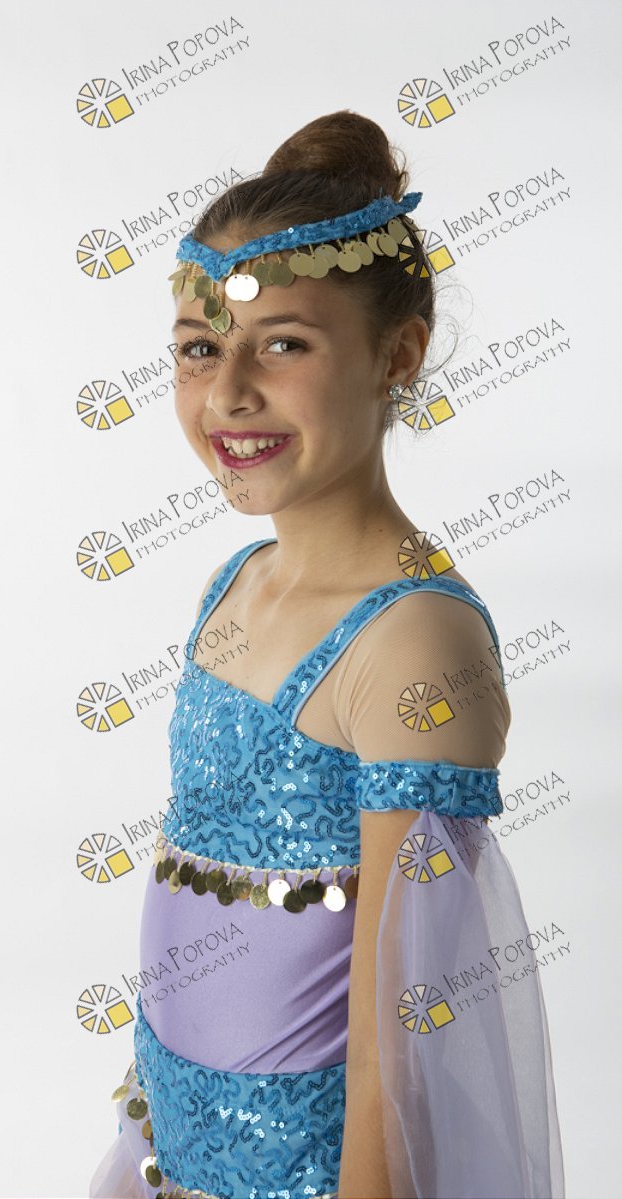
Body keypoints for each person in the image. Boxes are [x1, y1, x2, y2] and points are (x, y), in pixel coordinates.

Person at [89, 110, 565, 1199]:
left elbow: (404, 1032)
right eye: (199, 347)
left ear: (397, 353)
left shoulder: (410, 641)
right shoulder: (236, 584)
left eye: (283, 344)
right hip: (176, 1148)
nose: (228, 391)